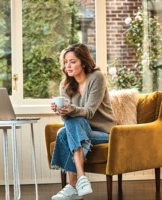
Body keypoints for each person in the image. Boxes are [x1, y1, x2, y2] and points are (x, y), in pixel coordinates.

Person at [50, 43, 117, 200]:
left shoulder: (97, 77)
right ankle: (81, 179)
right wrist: (60, 111)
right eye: (66, 62)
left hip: (104, 132)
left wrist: (70, 109)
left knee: (64, 132)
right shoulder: (65, 85)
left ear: (84, 62)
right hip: (80, 131)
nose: (68, 66)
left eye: (72, 61)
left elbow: (89, 111)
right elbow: (68, 119)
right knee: (69, 127)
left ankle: (73, 185)